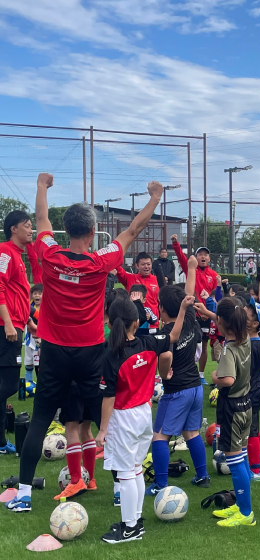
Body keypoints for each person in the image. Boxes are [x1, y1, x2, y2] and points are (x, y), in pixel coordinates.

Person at [6, 173, 163, 513]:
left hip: (54, 352)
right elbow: (133, 229)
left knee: (40, 418)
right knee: (110, 418)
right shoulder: (100, 261)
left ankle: (24, 494)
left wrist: (41, 188)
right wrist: (154, 198)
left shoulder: (50, 253)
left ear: (66, 229)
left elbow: (42, 219)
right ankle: (122, 487)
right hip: (92, 353)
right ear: (92, 232)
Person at [96, 297, 176, 543]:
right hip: (144, 413)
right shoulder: (148, 342)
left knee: (126, 474)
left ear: (110, 322)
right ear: (136, 322)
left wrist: (102, 430)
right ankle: (135, 520)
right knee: (135, 469)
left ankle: (130, 528)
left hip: (124, 417)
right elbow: (171, 339)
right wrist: (182, 309)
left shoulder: (111, 355)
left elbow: (109, 397)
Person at [147, 256, 211, 496]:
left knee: (159, 436)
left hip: (176, 391)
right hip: (195, 387)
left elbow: (165, 358)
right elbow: (189, 293)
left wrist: (164, 374)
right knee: (191, 432)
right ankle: (202, 476)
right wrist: (191, 268)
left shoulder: (165, 333)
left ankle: (161, 485)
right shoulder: (191, 319)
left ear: (162, 309)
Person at [210, 298, 255, 527]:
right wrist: (211, 313)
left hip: (232, 409)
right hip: (246, 404)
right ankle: (240, 505)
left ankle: (246, 513)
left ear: (220, 321)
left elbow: (227, 379)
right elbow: (227, 320)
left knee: (234, 460)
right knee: (242, 456)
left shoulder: (228, 349)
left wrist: (215, 377)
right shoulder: (245, 338)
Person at [0, 210, 36, 455]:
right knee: (11, 385)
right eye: (27, 225)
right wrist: (9, 322)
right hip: (7, 329)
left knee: (4, 385)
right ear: (13, 228)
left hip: (15, 325)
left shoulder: (17, 254)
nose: (31, 230)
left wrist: (28, 321)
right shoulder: (5, 252)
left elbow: (18, 294)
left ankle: (1, 443)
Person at [171, 235, 219, 385]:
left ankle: (201, 375)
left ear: (209, 258)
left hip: (206, 315)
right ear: (196, 257)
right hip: (192, 313)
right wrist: (175, 244)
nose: (203, 257)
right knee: (189, 342)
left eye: (205, 255)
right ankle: (189, 370)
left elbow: (215, 297)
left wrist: (208, 313)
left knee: (204, 345)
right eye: (200, 254)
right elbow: (181, 257)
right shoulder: (191, 269)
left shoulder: (213, 275)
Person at [246, 300, 260, 482]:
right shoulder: (254, 341)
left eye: (245, 316)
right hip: (254, 391)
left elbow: (247, 374)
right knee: (254, 426)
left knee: (251, 429)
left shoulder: (252, 346)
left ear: (255, 324)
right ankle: (259, 459)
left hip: (250, 392)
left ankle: (255, 470)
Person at [116, 252, 160, 322]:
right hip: (134, 322)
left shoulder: (157, 279)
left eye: (148, 264)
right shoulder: (129, 278)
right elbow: (116, 267)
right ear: (137, 265)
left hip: (152, 323)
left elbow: (162, 302)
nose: (146, 266)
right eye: (143, 264)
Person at [24, 284, 43, 384]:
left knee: (38, 362)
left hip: (40, 339)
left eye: (39, 293)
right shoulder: (29, 307)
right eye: (35, 293)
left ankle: (40, 383)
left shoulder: (46, 308)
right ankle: (28, 382)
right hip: (29, 339)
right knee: (28, 361)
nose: (37, 296)